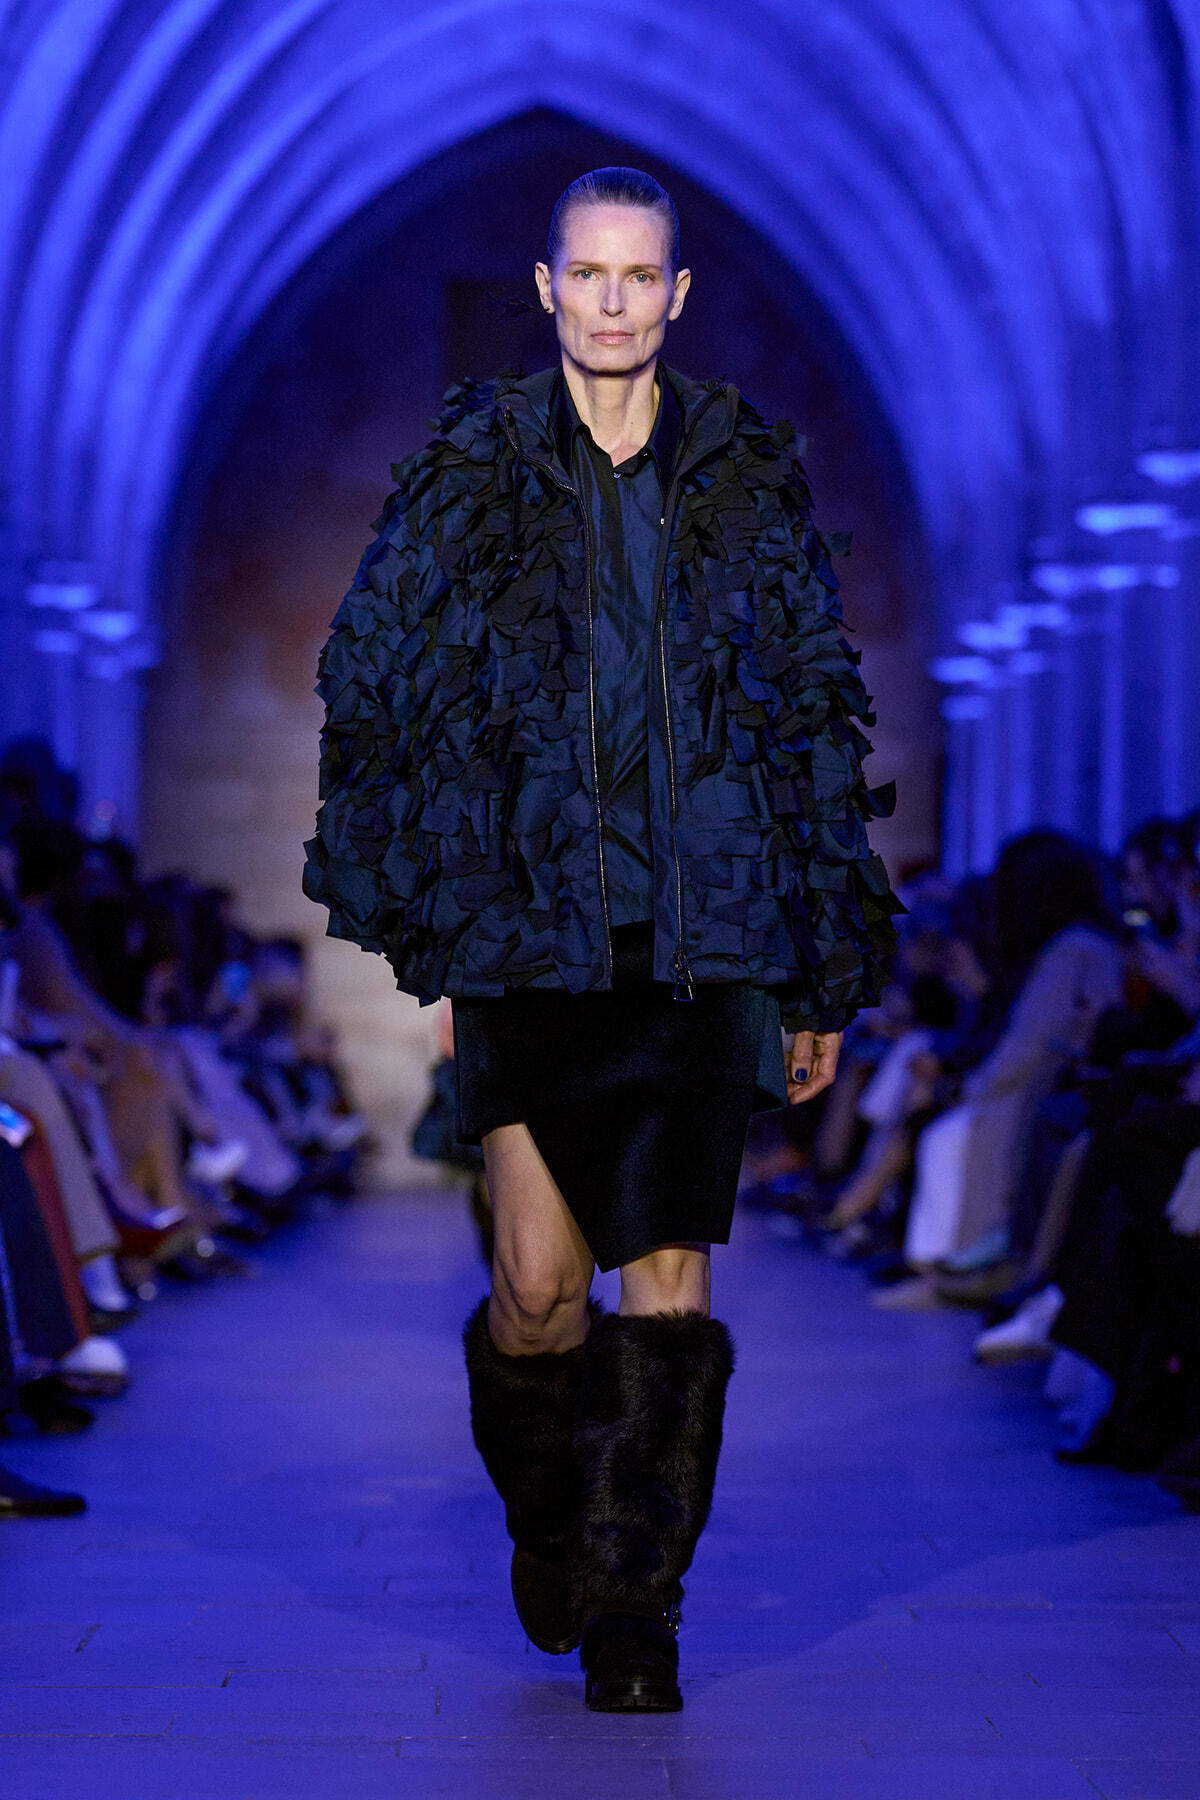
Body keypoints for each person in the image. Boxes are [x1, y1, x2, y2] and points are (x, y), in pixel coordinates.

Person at [304, 166, 899, 1712]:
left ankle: (640, 1610)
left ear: (678, 295)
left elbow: (810, 722)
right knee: (536, 1290)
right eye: (594, 273)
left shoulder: (743, 477)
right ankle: (556, 1517)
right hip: (529, 942)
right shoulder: (475, 468)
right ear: (550, 286)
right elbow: (370, 682)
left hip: (702, 949)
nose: (619, 299)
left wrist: (821, 962)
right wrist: (427, 909)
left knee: (673, 1287)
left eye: (646, 275)